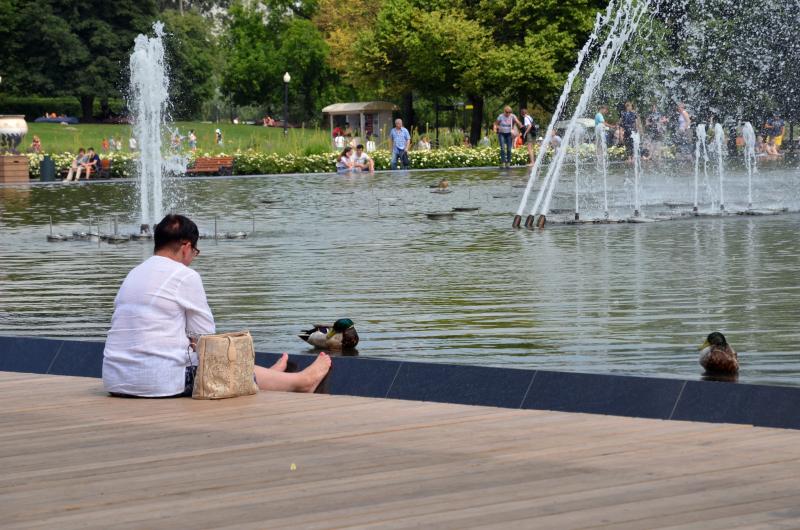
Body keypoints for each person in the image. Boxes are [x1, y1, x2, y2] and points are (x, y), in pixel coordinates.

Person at [102, 214, 331, 398]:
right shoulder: (184, 275)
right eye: (195, 252)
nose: (193, 257)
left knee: (214, 361)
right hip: (156, 382)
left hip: (115, 379)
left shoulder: (134, 273)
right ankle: (301, 382)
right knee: (221, 361)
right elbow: (207, 341)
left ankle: (267, 377)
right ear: (186, 247)